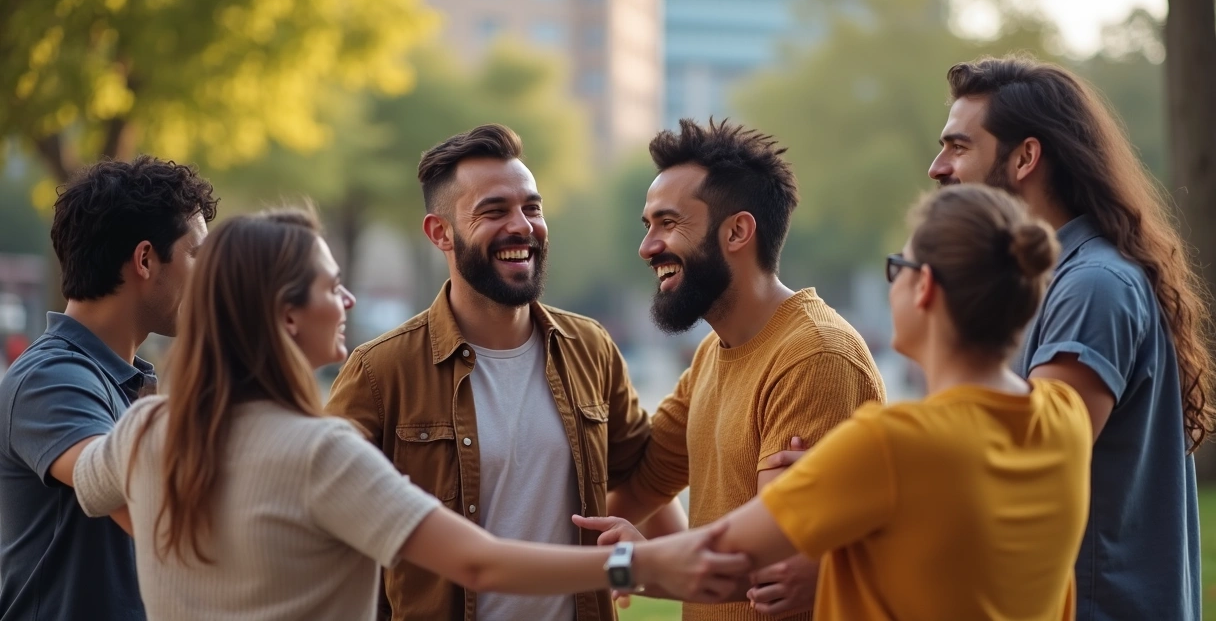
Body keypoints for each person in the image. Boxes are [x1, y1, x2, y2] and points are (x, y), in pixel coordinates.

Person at [70, 207, 750, 621]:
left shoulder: (146, 431)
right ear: (286, 314)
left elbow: (89, 484)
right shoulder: (320, 455)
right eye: (332, 286)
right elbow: (479, 565)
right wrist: (639, 564)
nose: (349, 301)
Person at [617, 184, 1091, 620]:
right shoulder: (1066, 416)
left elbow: (725, 556)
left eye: (897, 267)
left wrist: (621, 564)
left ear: (923, 286)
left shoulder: (889, 444)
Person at [326, 123, 688, 621]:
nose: (522, 226)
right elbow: (329, 535)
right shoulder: (379, 372)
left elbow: (646, 484)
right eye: (494, 211)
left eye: (532, 208)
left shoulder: (591, 348)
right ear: (440, 234)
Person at [928, 54, 1213, 621]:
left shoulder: (1091, 288)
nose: (937, 167)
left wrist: (852, 514)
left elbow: (1023, 471)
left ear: (1025, 157)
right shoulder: (1052, 283)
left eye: (959, 147)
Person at [576, 119, 887, 620]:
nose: (648, 246)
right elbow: (640, 488)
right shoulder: (712, 354)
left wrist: (629, 565)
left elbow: (768, 565)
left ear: (738, 231)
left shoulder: (816, 357)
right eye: (648, 225)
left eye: (669, 223)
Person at [0, 157, 216, 621]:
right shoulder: (50, 378)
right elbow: (151, 512)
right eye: (198, 255)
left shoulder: (124, 380)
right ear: (144, 260)